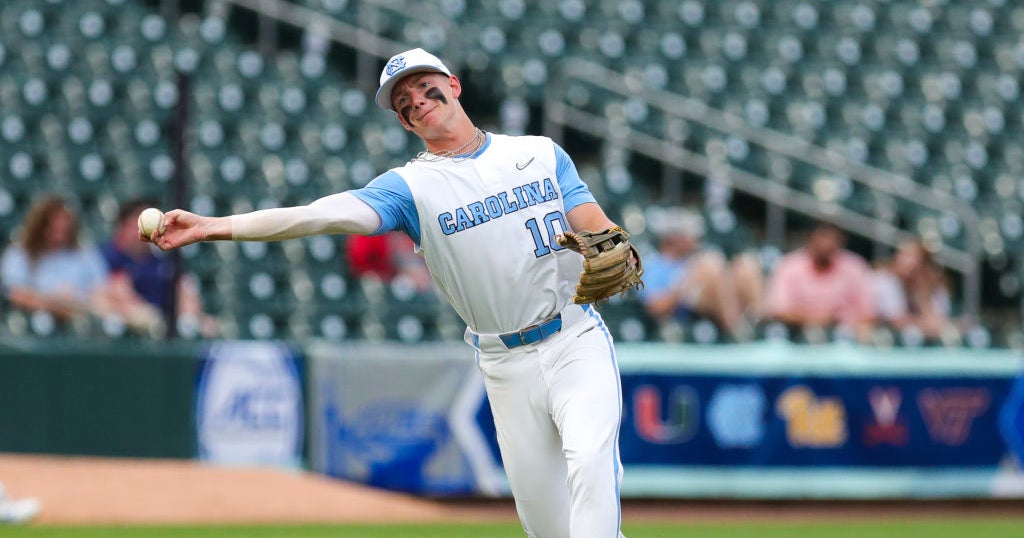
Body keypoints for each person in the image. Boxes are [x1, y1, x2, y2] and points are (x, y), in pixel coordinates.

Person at [145, 48, 632, 537]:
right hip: (505, 363)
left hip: (574, 339)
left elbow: (597, 227)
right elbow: (319, 214)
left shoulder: (541, 153)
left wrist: (621, 250)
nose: (417, 100)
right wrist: (212, 226)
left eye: (424, 86)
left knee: (590, 460)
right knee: (546, 524)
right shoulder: (411, 188)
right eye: (403, 100)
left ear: (454, 84)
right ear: (403, 122)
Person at [640, 206, 762, 340]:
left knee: (745, 266)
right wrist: (682, 287)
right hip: (682, 312)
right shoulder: (654, 264)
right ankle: (735, 328)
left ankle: (759, 323)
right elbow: (655, 307)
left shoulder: (690, 260)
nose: (696, 239)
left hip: (709, 306)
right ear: (673, 238)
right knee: (711, 266)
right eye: (690, 234)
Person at [100, 201, 218, 338]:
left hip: (162, 324)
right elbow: (118, 293)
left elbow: (185, 288)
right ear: (124, 225)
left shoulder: (159, 259)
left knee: (205, 324)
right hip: (130, 326)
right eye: (137, 223)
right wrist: (149, 317)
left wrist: (192, 316)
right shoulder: (109, 256)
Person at [0, 195, 109, 327]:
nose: (59, 232)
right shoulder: (19, 253)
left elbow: (103, 291)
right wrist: (57, 305)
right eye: (54, 227)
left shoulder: (85, 254)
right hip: (32, 324)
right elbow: (16, 294)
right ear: (41, 226)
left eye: (64, 228)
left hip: (83, 324)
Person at [765, 222, 875, 339]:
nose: (826, 245)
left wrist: (842, 322)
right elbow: (778, 311)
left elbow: (868, 314)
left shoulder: (855, 267)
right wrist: (817, 319)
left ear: (841, 243)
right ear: (809, 240)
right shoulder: (789, 265)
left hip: (846, 339)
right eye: (822, 238)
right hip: (796, 337)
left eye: (832, 240)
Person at [872, 237, 954, 339]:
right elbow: (897, 321)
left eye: (916, 258)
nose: (910, 263)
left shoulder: (933, 284)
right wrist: (926, 325)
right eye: (906, 256)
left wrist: (922, 293)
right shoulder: (884, 280)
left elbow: (939, 322)